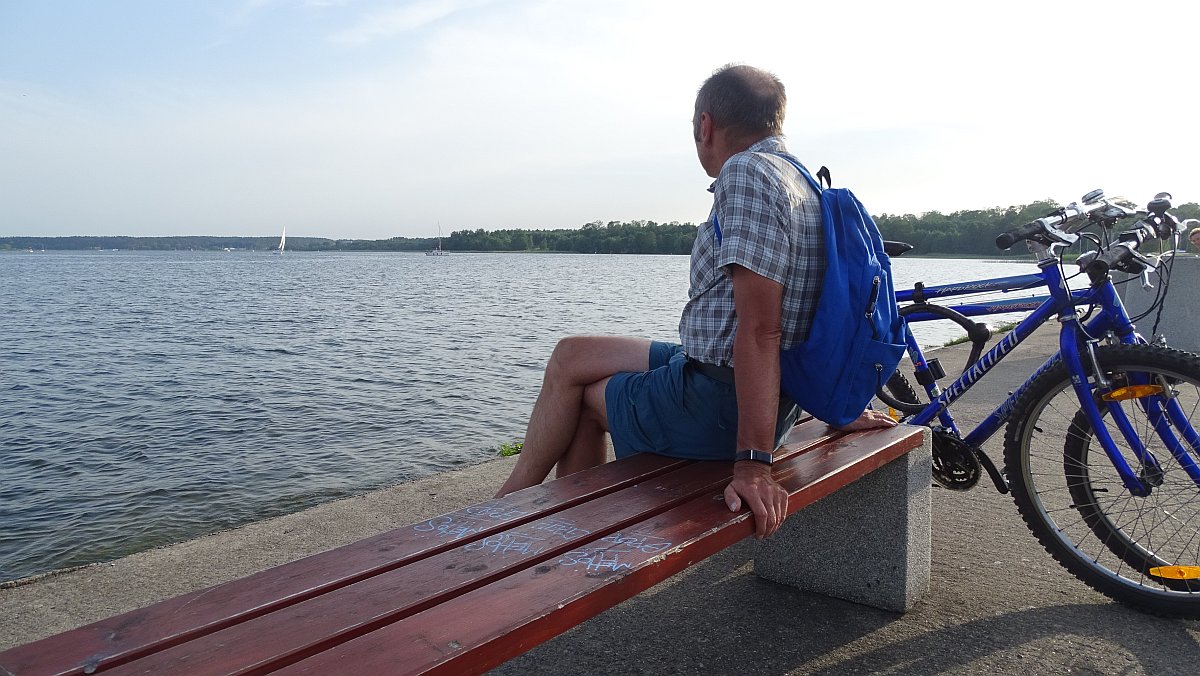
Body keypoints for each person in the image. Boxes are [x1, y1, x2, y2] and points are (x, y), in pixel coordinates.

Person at [494, 64, 895, 539]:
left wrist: (752, 466)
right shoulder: (803, 180)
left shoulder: (746, 173)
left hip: (719, 403)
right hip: (732, 376)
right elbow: (827, 308)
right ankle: (515, 501)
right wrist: (840, 408)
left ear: (706, 125)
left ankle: (531, 529)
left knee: (582, 402)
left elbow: (761, 329)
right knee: (571, 354)